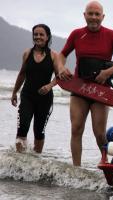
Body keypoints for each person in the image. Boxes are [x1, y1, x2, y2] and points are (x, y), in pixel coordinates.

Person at [57, 1, 113, 166]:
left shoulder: (111, 35)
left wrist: (107, 73)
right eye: (91, 14)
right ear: (85, 15)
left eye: (97, 14)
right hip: (79, 88)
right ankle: (76, 168)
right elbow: (62, 55)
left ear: (103, 17)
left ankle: (105, 163)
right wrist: (61, 67)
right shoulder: (76, 34)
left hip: (101, 90)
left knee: (99, 133)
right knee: (76, 128)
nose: (94, 17)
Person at [11, 24, 59, 153]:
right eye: (35, 34)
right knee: (23, 127)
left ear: (47, 37)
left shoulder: (54, 56)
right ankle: (20, 159)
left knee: (39, 130)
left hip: (45, 99)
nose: (38, 37)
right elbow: (22, 74)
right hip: (27, 96)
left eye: (41, 34)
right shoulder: (27, 53)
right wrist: (14, 92)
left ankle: (36, 159)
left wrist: (49, 86)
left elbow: (59, 77)